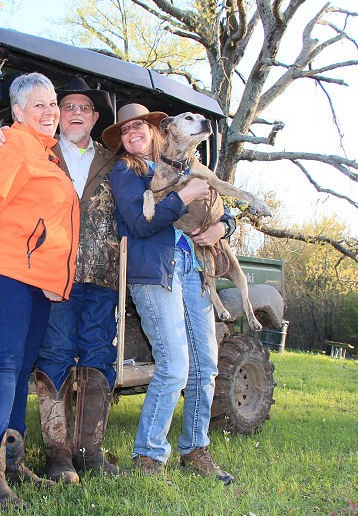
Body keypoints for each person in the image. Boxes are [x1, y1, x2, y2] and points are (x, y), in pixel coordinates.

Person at [0, 77, 120, 482]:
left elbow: (157, 181)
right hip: (24, 272)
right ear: (18, 111)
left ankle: (60, 457)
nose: (60, 112)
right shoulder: (20, 145)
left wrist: (221, 217)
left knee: (52, 362)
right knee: (23, 359)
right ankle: (25, 462)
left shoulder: (102, 159)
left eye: (56, 104)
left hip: (77, 276)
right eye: (51, 104)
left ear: (94, 117)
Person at [0, 72, 80, 508]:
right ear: (18, 112)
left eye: (53, 103)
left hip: (36, 281)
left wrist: (55, 279)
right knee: (4, 360)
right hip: (3, 270)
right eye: (38, 104)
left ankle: (13, 460)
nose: (49, 111)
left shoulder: (50, 158)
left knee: (22, 366)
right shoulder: (8, 143)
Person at [104, 103, 236, 485]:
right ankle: (148, 455)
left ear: (155, 129)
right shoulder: (125, 174)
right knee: (174, 366)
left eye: (138, 126)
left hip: (194, 269)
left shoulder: (183, 163)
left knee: (206, 365)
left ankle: (195, 449)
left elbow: (217, 204)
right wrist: (185, 196)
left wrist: (222, 228)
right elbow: (141, 224)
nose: (133, 134)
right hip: (153, 272)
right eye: (125, 131)